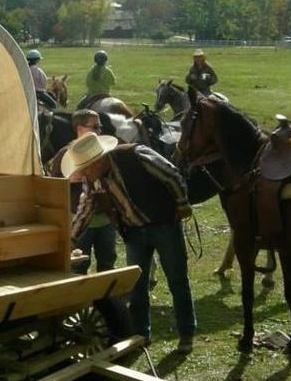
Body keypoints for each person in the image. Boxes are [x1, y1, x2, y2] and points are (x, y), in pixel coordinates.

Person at [61, 132, 197, 353]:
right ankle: (141, 335)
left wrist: (182, 203)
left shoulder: (137, 155)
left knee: (177, 281)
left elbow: (172, 175)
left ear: (99, 159)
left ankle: (186, 334)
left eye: (86, 167)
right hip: (133, 232)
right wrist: (70, 240)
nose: (83, 173)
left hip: (164, 226)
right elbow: (85, 210)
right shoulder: (92, 179)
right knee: (137, 287)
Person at [47, 110, 117, 274]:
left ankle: (106, 299)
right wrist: (68, 181)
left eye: (100, 127)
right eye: (95, 127)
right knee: (77, 266)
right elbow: (52, 186)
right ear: (80, 129)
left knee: (107, 265)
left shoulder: (106, 153)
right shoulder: (64, 155)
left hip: (105, 220)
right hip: (78, 222)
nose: (99, 131)